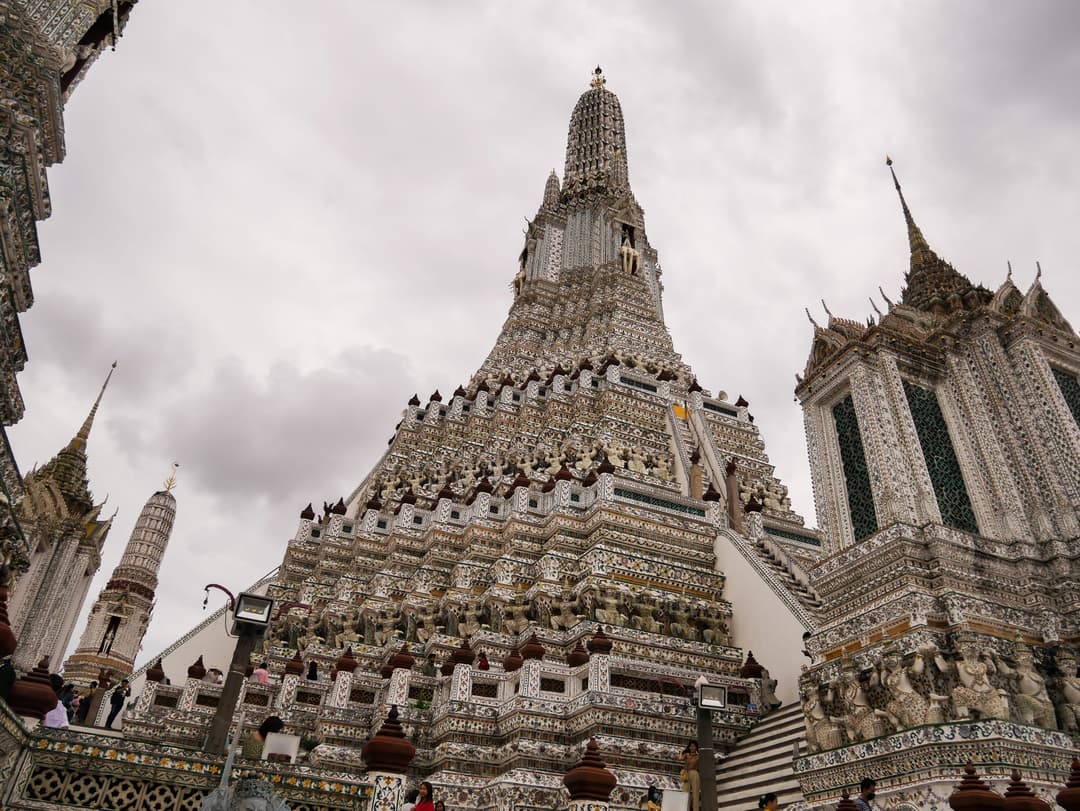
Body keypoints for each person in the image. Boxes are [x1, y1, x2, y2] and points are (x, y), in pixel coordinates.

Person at [678, 740, 700, 811]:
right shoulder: (687, 754)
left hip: (695, 773)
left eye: (693, 746)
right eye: (691, 746)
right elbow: (680, 758)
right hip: (686, 774)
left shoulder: (698, 756)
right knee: (685, 793)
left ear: (696, 747)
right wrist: (682, 752)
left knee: (695, 794)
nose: (692, 747)